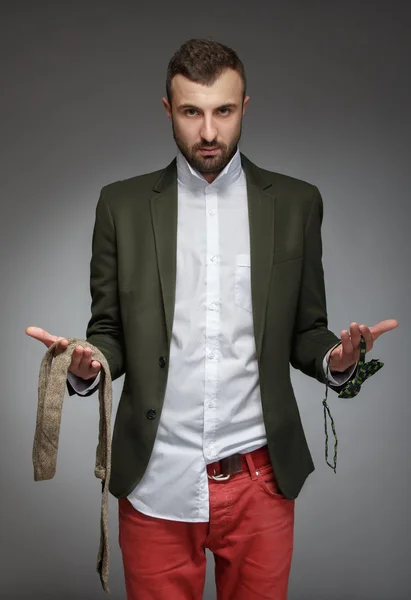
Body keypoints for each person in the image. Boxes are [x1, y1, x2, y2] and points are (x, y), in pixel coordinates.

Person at [26, 38, 398, 600]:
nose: (207, 132)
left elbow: (306, 330)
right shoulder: (120, 206)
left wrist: (336, 359)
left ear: (244, 107)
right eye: (191, 111)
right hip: (155, 478)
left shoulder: (297, 203)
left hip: (261, 481)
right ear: (167, 109)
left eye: (223, 111)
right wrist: (87, 364)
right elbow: (109, 334)